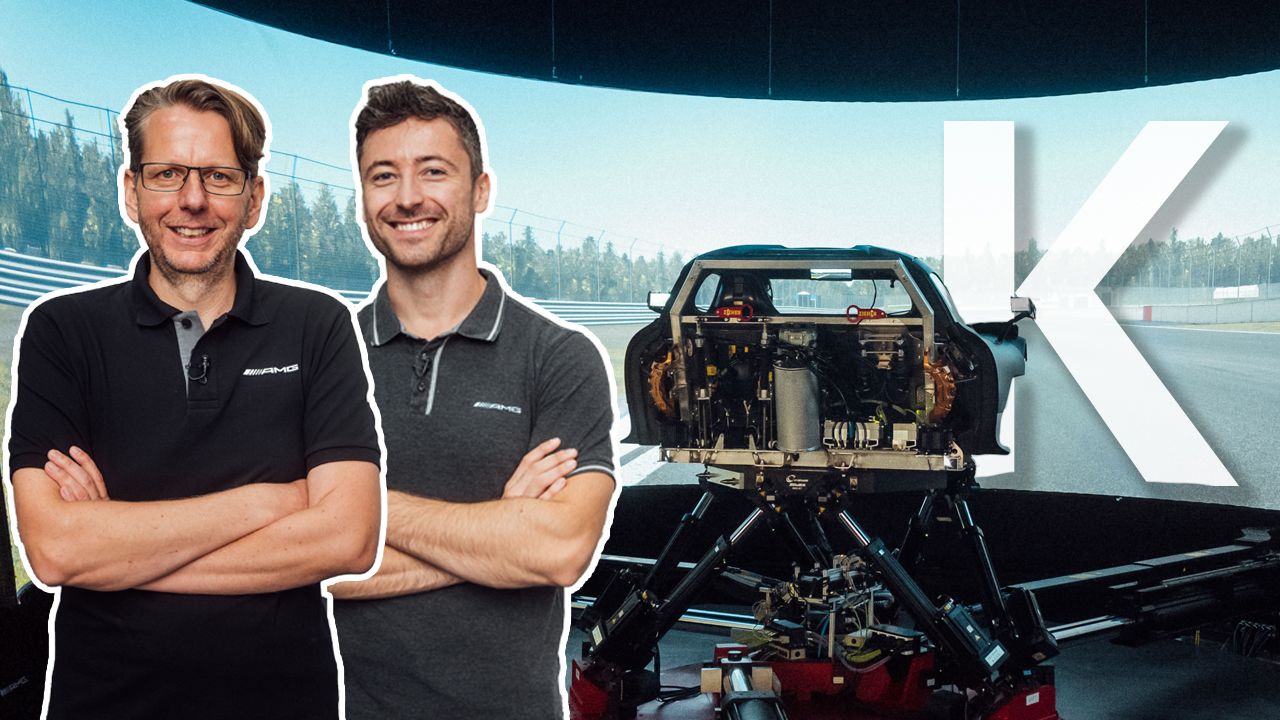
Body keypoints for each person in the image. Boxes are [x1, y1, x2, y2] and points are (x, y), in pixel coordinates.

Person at [5, 76, 383, 719]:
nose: (192, 200)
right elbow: (56, 549)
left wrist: (120, 555)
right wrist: (273, 501)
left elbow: (349, 538)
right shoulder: (60, 332)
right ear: (131, 191)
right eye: (166, 174)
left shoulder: (317, 324)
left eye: (219, 176)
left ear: (255, 198)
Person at [329, 77, 618, 719]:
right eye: (383, 176)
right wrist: (497, 532)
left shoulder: (559, 358)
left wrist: (357, 511)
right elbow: (293, 564)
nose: (408, 198)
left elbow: (557, 550)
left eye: (433, 171)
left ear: (480, 189)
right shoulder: (322, 358)